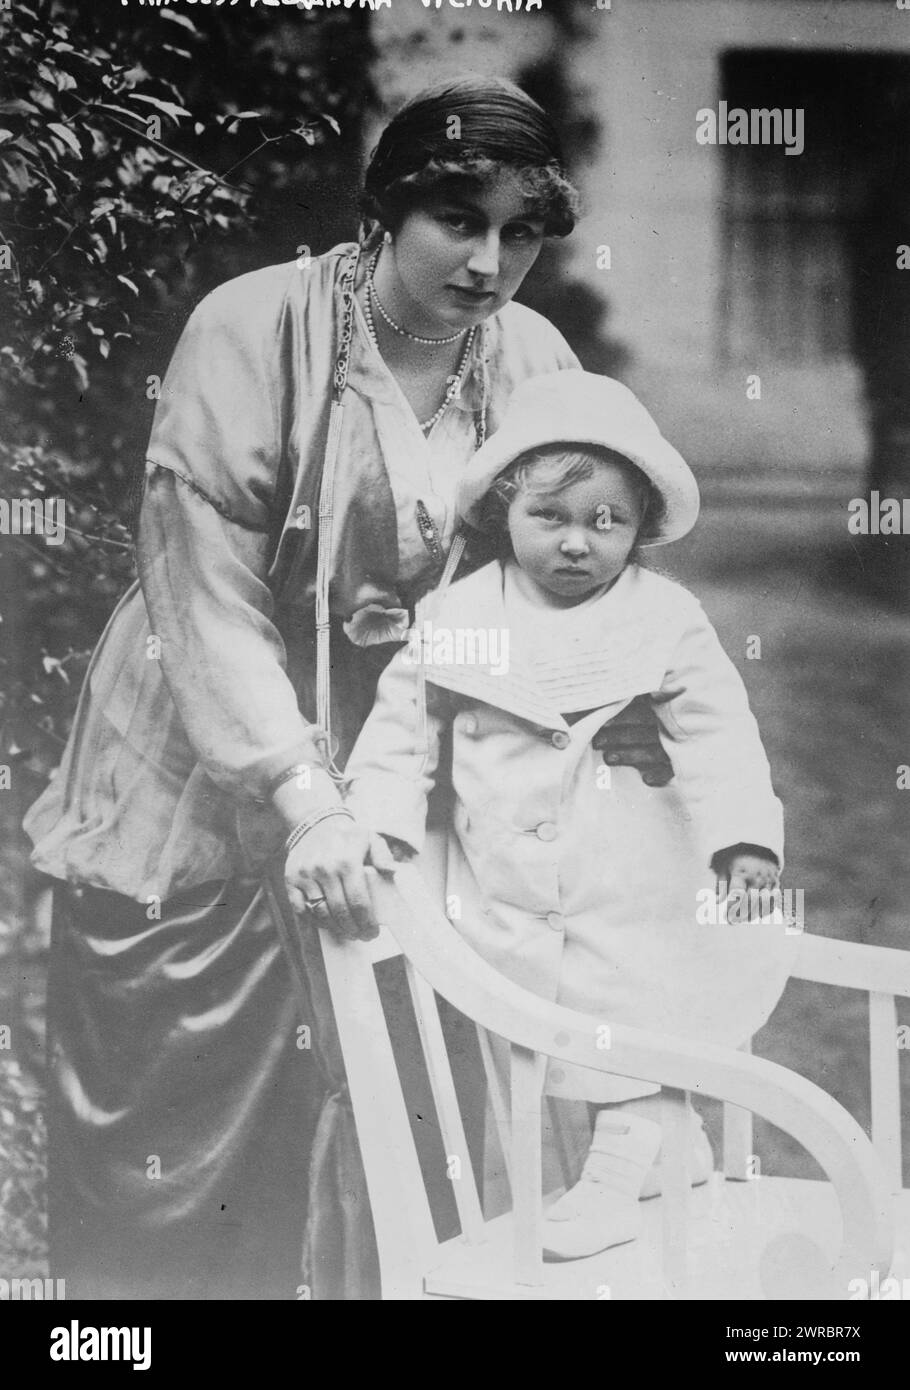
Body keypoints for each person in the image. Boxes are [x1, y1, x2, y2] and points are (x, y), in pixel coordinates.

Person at [22, 75, 665, 1301]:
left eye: (521, 232)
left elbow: (565, 580)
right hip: (203, 739)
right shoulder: (253, 326)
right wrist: (296, 789)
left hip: (407, 750)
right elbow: (201, 573)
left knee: (424, 1097)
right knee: (189, 1122)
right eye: (458, 221)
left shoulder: (530, 359)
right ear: (382, 212)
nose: (489, 262)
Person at [343, 370, 796, 1261]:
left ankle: (613, 1181)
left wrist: (743, 839)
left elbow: (719, 733)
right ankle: (673, 1150)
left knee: (639, 1012)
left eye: (607, 522)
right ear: (505, 511)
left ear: (639, 530)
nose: (579, 545)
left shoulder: (663, 616)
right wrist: (382, 825)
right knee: (544, 1032)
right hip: (508, 877)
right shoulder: (461, 616)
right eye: (551, 518)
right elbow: (402, 729)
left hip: (631, 867)